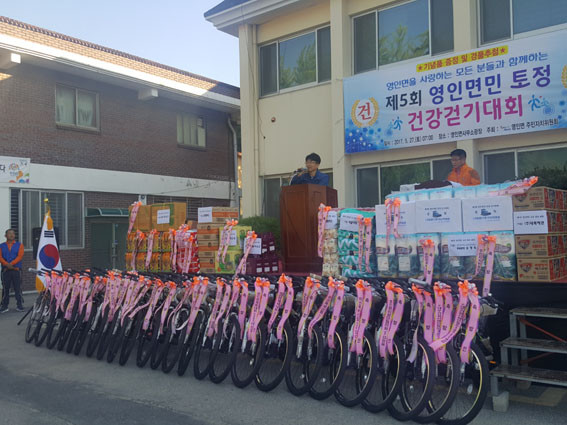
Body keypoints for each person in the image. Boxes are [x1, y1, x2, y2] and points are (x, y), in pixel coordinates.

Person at [0, 229, 25, 313]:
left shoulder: (19, 245)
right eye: (9, 233)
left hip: (16, 270)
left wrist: (11, 264)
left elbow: (20, 256)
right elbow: (0, 257)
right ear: (5, 235)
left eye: (13, 233)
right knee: (5, 289)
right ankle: (4, 306)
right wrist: (6, 264)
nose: (11, 235)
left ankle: (20, 305)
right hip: (5, 270)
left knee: (18, 288)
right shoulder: (1, 246)